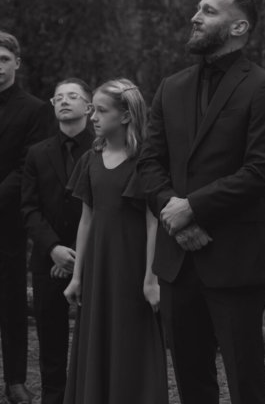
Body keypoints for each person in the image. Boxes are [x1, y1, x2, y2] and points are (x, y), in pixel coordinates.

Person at [137, 0, 265, 404]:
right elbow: (149, 163)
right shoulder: (171, 87)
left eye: (208, 10)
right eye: (196, 9)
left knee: (246, 382)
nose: (194, 16)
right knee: (191, 381)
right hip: (177, 262)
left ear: (238, 26)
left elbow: (261, 172)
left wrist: (194, 209)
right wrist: (175, 214)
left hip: (235, 260)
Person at [63, 79, 168, 404]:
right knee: (97, 338)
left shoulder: (145, 162)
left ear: (125, 116)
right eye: (92, 108)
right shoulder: (91, 158)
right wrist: (78, 276)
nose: (93, 116)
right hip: (97, 265)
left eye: (101, 110)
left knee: (129, 341)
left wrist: (151, 280)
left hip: (132, 265)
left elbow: (154, 224)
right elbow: (86, 220)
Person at [21, 78, 94, 404]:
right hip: (47, 259)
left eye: (73, 96)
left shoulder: (104, 148)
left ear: (89, 107)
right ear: (52, 105)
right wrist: (53, 249)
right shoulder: (37, 153)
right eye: (59, 97)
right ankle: (54, 398)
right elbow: (29, 208)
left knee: (94, 337)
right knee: (50, 339)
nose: (65, 101)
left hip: (94, 258)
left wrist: (81, 255)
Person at [0, 31, 47, 404]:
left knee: (11, 302)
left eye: (3, 59)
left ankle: (14, 382)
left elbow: (25, 167)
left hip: (6, 223)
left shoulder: (33, 109)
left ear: (17, 62)